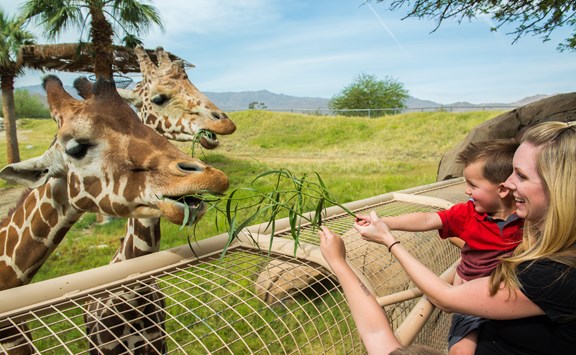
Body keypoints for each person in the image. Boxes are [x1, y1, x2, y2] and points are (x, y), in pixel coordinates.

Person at [326, 121, 576, 354]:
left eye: (521, 175)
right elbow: (428, 219)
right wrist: (385, 223)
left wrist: (388, 241)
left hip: (473, 302)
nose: (508, 183)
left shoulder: (554, 273)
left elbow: (445, 299)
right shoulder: (534, 239)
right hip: (478, 305)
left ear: (558, 186)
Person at [356, 138, 522, 354]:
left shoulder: (529, 220)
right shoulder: (467, 213)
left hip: (507, 296)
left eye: (473, 185)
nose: (467, 191)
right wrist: (387, 223)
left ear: (502, 189)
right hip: (468, 300)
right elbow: (427, 219)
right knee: (461, 351)